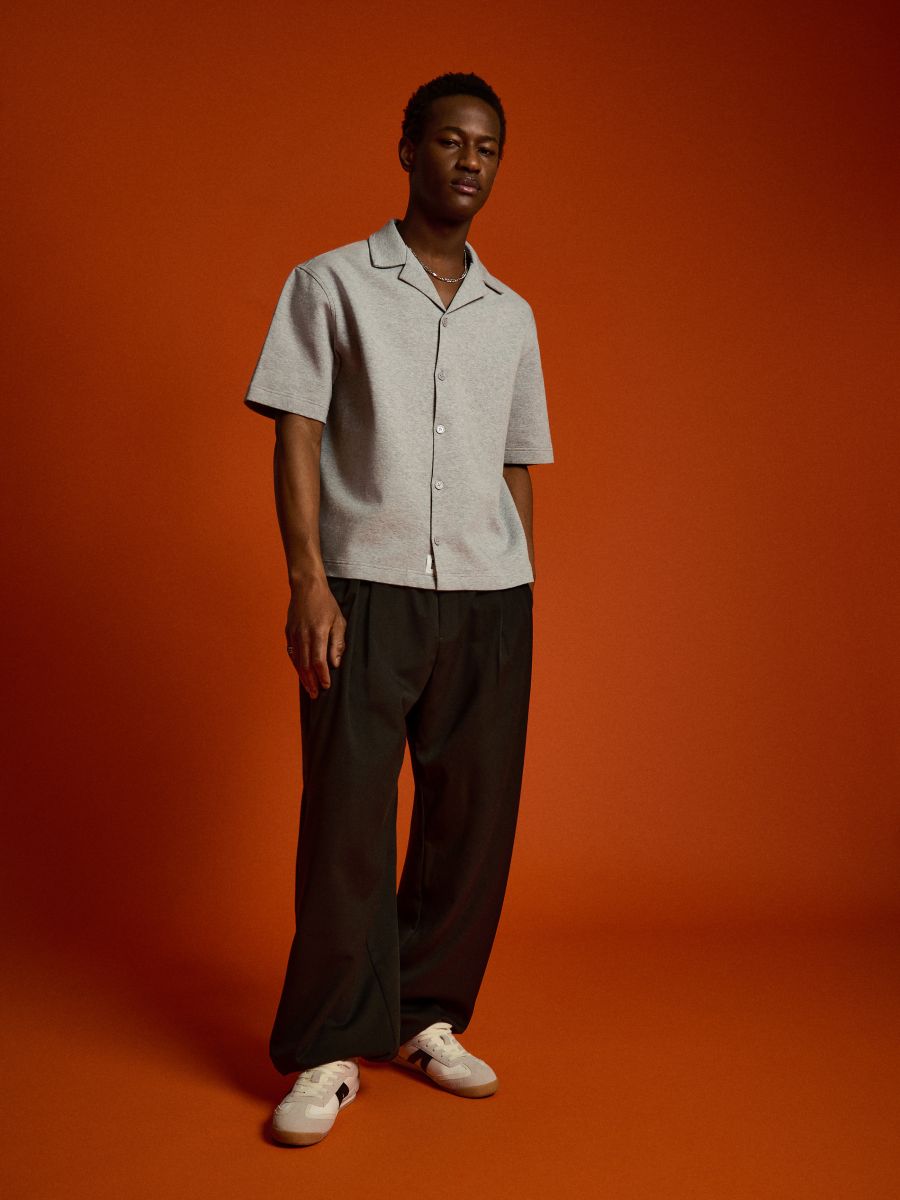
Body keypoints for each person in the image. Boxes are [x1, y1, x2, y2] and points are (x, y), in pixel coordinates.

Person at [243, 71, 555, 1146]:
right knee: (347, 821)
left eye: (488, 147)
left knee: (472, 821)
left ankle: (425, 1015)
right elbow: (295, 428)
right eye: (451, 140)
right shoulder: (328, 283)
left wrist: (521, 584)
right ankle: (330, 1045)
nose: (470, 161)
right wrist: (307, 579)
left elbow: (518, 461)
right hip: (364, 588)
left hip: (488, 599)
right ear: (410, 149)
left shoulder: (512, 316)